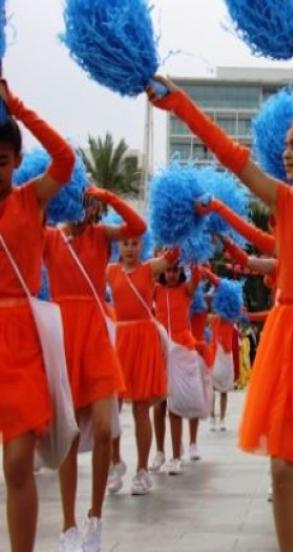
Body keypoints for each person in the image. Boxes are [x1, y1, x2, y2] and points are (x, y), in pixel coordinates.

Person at [147, 34, 293, 551]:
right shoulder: (281, 200)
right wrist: (180, 103)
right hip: (289, 331)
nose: (285, 153)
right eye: (285, 146)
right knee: (282, 464)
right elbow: (230, 155)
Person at [43, 185, 146, 550]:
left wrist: (108, 195)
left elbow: (138, 226)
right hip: (63, 336)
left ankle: (95, 519)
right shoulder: (50, 237)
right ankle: (68, 526)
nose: (82, 209)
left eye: (87, 203)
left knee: (104, 429)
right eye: (76, 201)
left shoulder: (102, 235)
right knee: (68, 436)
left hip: (95, 335)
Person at [0, 79, 76, 552]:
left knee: (17, 462)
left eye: (1, 160)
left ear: (15, 160)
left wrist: (18, 107)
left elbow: (64, 160)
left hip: (22, 340)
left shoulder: (31, 199)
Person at [106, 241, 177, 495]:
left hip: (144, 341)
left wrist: (178, 230)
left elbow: (173, 255)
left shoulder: (149, 269)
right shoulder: (111, 270)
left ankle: (142, 470)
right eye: (125, 243)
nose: (130, 248)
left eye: (135, 243)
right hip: (121, 340)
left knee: (140, 408)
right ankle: (115, 463)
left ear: (142, 244)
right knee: (113, 406)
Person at [153, 262, 203, 473]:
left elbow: (196, 277)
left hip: (182, 350)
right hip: (161, 349)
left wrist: (193, 255)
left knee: (175, 405)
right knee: (159, 405)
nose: (171, 274)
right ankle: (159, 452)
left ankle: (176, 456)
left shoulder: (185, 290)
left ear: (181, 270)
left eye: (175, 270)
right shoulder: (156, 290)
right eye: (168, 270)